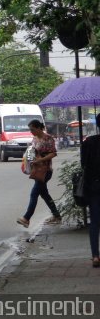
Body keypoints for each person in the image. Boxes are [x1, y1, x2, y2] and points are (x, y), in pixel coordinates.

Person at [16, 119, 62, 228]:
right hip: (37, 170)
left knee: (34, 194)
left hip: (45, 171)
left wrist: (40, 160)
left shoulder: (48, 138)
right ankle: (56, 215)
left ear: (38, 128)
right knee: (44, 194)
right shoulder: (35, 139)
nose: (31, 132)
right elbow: (32, 152)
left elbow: (53, 154)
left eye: (32, 129)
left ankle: (26, 218)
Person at [81, 113, 100, 268]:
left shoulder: (89, 142)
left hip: (94, 186)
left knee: (95, 222)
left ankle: (95, 255)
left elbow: (83, 164)